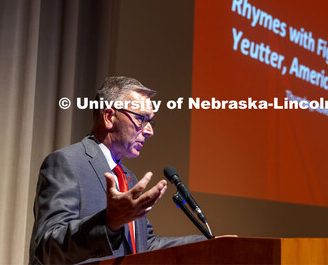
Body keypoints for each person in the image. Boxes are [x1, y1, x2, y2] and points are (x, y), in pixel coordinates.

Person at [29, 76, 205, 264]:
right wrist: (108, 223)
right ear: (109, 116)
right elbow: (47, 248)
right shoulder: (67, 162)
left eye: (150, 122)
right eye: (140, 119)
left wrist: (207, 244)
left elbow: (145, 247)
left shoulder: (128, 177)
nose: (149, 131)